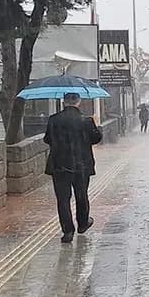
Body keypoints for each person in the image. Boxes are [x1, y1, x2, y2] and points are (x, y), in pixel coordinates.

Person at [43, 93, 103, 243]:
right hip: (81, 165)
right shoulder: (86, 121)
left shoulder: (53, 120)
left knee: (63, 199)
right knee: (81, 195)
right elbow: (96, 139)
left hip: (59, 166)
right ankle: (83, 224)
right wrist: (97, 127)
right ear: (78, 102)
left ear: (64, 102)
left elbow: (47, 139)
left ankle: (68, 232)